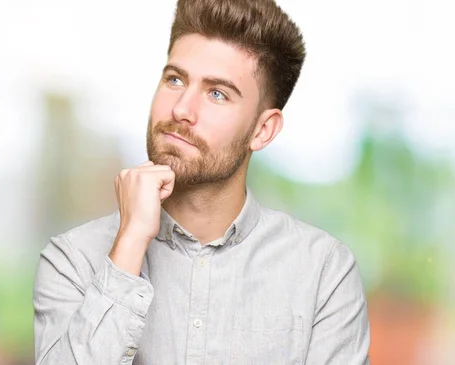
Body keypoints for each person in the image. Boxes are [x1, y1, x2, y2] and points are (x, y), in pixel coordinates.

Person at [32, 0, 371, 363]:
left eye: (217, 94)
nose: (181, 109)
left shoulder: (322, 272)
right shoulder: (72, 259)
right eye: (175, 79)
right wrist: (130, 244)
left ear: (263, 129)